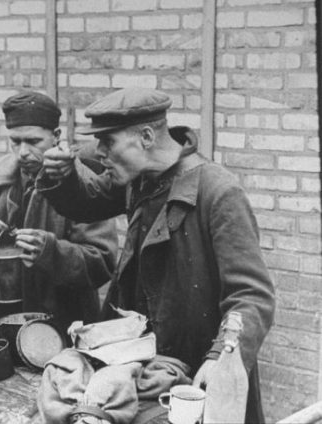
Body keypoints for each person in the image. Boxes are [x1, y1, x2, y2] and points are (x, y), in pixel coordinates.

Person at [37, 87, 276, 423]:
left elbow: (252, 295)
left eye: (108, 141)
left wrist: (221, 354)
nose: (99, 152)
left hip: (198, 365)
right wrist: (60, 177)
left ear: (146, 136)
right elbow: (86, 202)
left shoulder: (219, 192)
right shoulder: (139, 179)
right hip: (145, 366)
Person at [0, 91, 118, 334]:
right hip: (1, 316)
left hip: (62, 322)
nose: (22, 151)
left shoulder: (79, 184)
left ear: (55, 137)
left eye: (33, 142)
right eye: (15, 141)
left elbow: (102, 263)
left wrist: (50, 251)